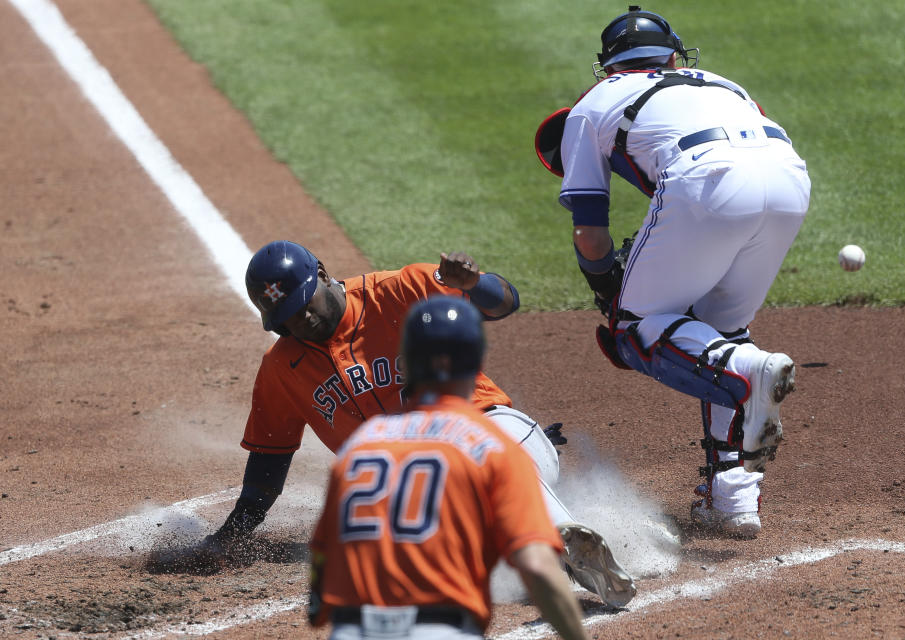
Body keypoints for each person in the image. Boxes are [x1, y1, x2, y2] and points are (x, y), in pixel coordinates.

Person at [198, 239, 636, 607]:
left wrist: (474, 284)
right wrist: (228, 536)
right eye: (285, 320)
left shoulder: (401, 289)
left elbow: (505, 302)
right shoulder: (282, 370)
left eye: (302, 305)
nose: (300, 321)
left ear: (323, 274)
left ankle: (561, 539)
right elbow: (266, 470)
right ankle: (558, 553)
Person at [536, 6, 810, 537]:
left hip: (704, 182)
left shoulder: (593, 105)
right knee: (719, 331)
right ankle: (733, 497)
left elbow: (591, 234)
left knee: (634, 331)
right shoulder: (724, 83)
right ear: (673, 54)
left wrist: (604, 287)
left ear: (608, 65)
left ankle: (745, 373)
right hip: (790, 180)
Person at [307, 296, 587, 640]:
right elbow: (537, 567)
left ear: (406, 361)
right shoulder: (490, 447)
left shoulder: (359, 446)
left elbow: (323, 563)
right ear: (476, 360)